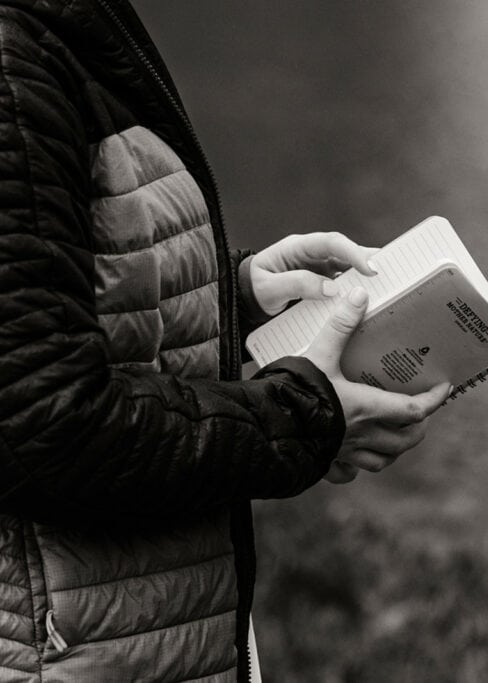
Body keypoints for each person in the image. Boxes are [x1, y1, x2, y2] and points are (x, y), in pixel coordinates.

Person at [0, 0, 449, 680]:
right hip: (76, 653)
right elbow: (45, 422)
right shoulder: (12, 55)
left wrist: (230, 306)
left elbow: (44, 315)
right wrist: (301, 415)